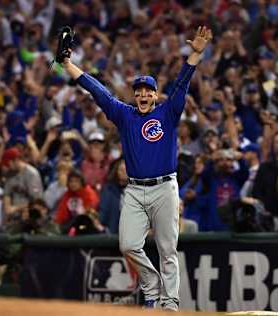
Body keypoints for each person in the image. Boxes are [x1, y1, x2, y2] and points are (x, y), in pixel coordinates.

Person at [60, 26, 213, 310]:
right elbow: (97, 89)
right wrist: (68, 64)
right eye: (139, 91)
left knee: (168, 250)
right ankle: (152, 288)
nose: (143, 95)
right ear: (135, 95)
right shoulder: (124, 115)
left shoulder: (168, 112)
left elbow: (182, 82)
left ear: (155, 96)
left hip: (165, 187)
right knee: (128, 244)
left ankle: (169, 303)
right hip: (134, 189)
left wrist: (194, 55)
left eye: (148, 91)